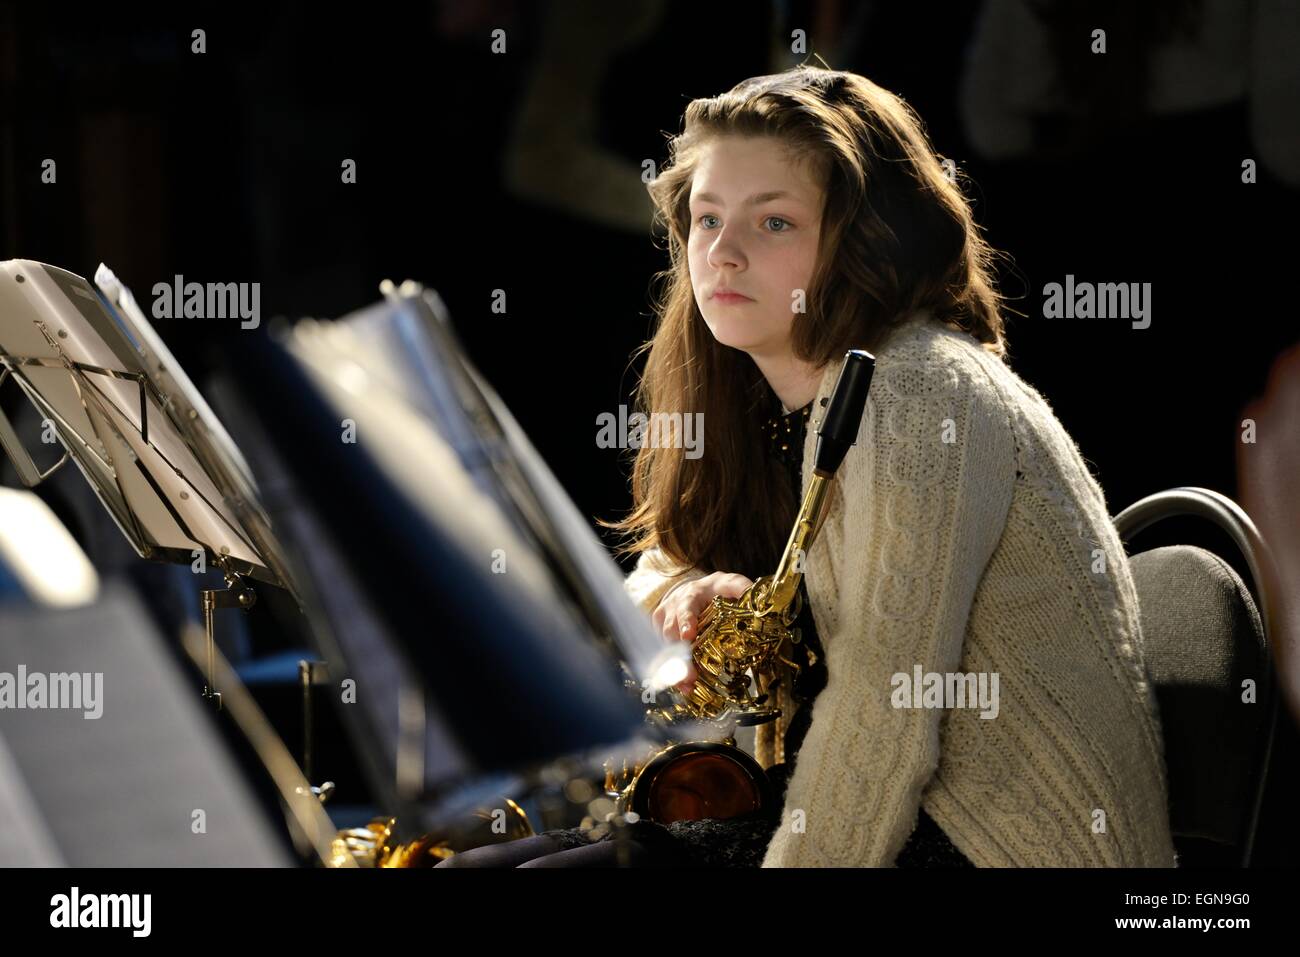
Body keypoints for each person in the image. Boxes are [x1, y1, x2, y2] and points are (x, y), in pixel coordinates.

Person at [439, 64, 1177, 868]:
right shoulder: (756, 393)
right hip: (868, 816)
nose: (721, 252)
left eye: (775, 223)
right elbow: (658, 569)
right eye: (707, 217)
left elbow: (885, 712)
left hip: (997, 846)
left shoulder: (921, 386)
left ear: (864, 242)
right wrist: (684, 594)